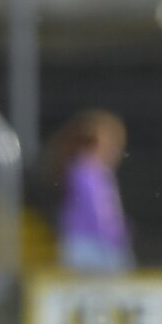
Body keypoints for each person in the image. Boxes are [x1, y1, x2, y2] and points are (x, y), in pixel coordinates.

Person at [51, 109, 134, 272]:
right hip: (88, 243)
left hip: (93, 242)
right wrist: (116, 233)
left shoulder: (97, 172)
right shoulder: (83, 171)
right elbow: (96, 212)